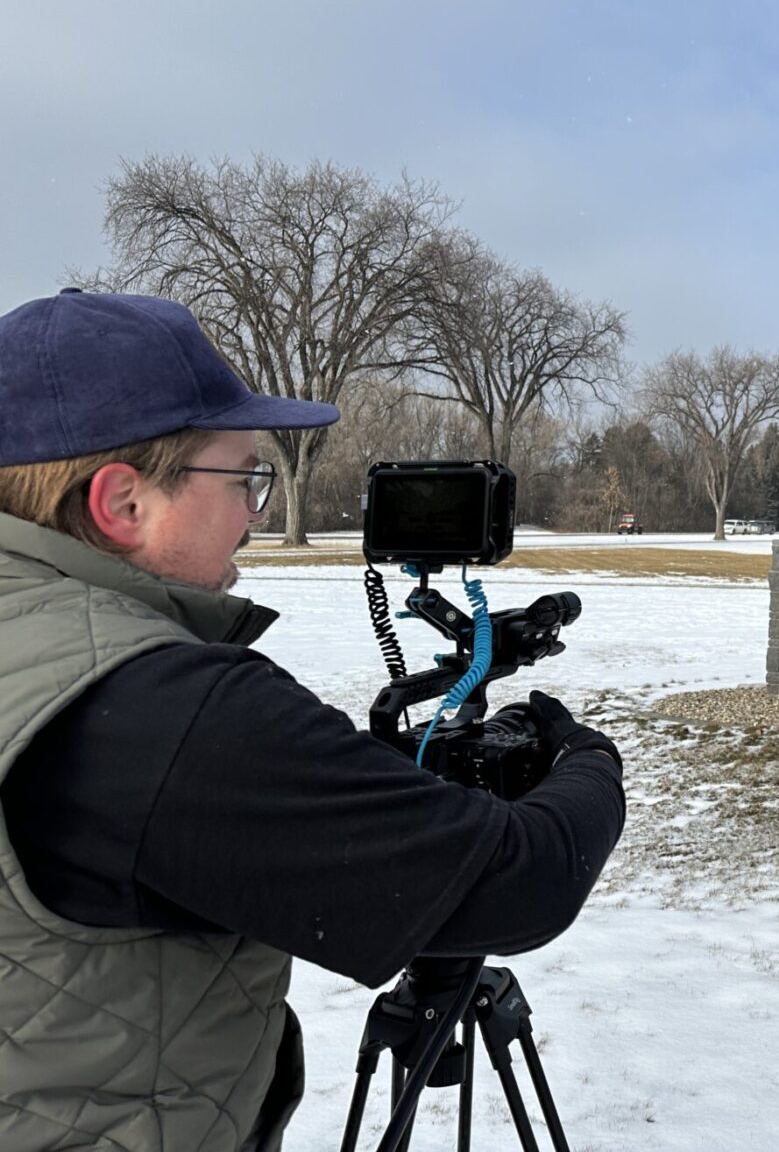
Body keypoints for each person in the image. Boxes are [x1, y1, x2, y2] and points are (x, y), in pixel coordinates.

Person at [0, 289, 626, 1152]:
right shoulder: (165, 703)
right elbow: (522, 881)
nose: (256, 515)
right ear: (123, 503)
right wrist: (587, 758)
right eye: (244, 477)